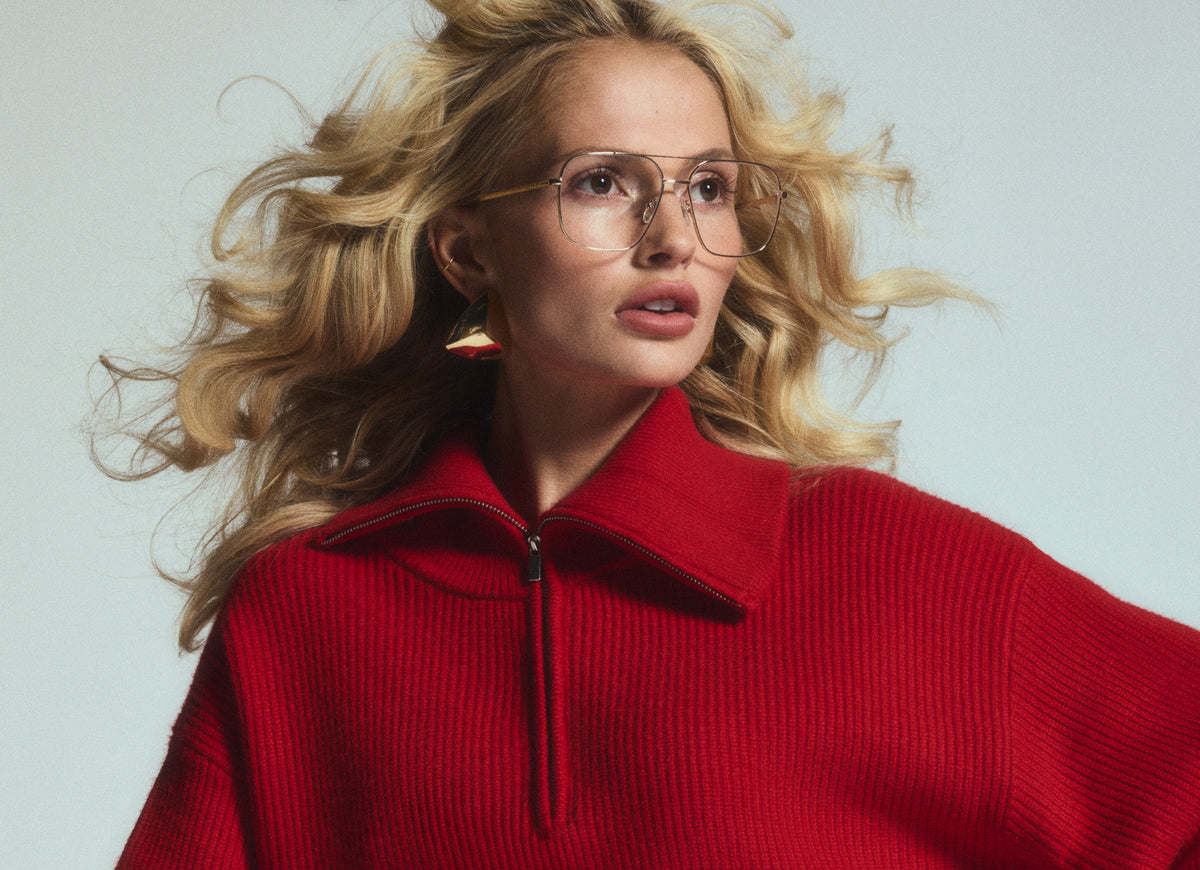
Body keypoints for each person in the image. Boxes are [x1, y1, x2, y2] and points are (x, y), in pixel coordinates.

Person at [103, 0, 1200, 866]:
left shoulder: (900, 571)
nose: (673, 235)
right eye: (603, 183)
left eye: (710, 188)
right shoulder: (306, 613)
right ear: (466, 250)